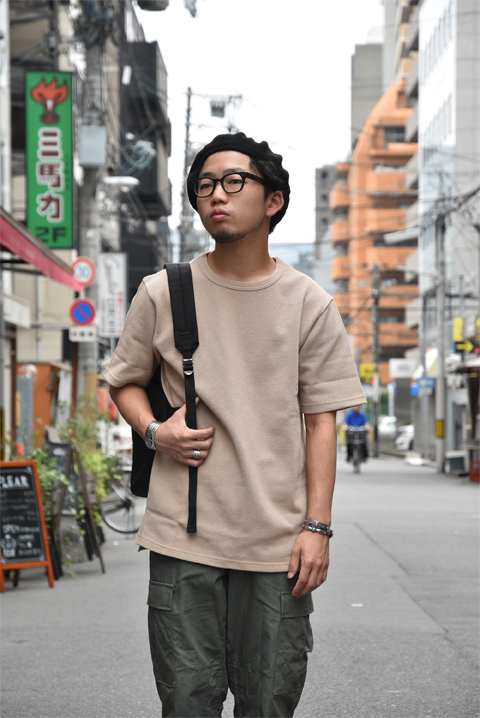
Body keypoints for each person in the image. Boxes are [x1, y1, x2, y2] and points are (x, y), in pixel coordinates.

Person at [105, 132, 366, 717]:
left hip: (278, 545)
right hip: (182, 537)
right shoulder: (163, 292)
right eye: (204, 186)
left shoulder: (310, 304)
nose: (216, 195)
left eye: (233, 181)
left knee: (269, 702)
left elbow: (321, 423)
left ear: (273, 200)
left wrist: (317, 528)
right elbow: (123, 381)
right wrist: (156, 433)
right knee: (187, 702)